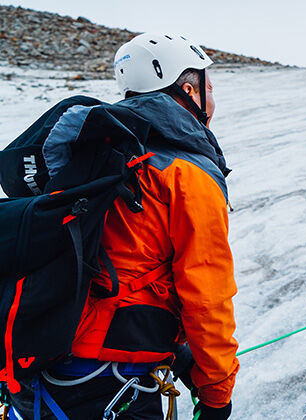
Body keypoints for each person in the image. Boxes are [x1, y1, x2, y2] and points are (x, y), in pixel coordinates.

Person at [7, 33, 238, 420]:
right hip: (111, 383)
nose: (212, 100)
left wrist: (178, 354)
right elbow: (206, 295)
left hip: (40, 369)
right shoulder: (185, 173)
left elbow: (116, 266)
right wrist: (216, 393)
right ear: (188, 90)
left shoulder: (96, 152)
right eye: (207, 87)